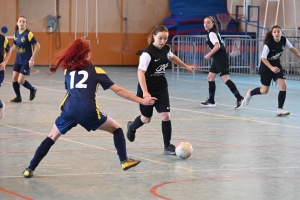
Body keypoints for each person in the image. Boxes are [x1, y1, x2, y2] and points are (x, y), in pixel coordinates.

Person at [22, 39, 157, 178]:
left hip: (69, 110)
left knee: (51, 136)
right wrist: (142, 100)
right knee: (117, 128)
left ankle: (30, 168)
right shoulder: (96, 70)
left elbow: (69, 90)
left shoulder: (68, 70)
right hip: (88, 111)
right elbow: (119, 90)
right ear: (86, 54)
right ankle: (124, 161)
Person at [126, 25, 195, 155]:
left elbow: (172, 57)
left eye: (165, 38)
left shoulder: (166, 48)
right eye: (160, 38)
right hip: (146, 89)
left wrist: (186, 66)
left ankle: (167, 146)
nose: (163, 41)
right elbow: (140, 73)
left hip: (161, 87)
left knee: (165, 115)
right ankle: (132, 127)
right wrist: (145, 92)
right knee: (146, 119)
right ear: (154, 37)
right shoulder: (147, 54)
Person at [244, 25, 300, 116]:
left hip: (276, 65)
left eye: (278, 31)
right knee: (264, 90)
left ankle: (280, 109)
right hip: (266, 67)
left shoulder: (284, 40)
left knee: (283, 85)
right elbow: (263, 58)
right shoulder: (269, 44)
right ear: (272, 33)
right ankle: (250, 93)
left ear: (281, 33)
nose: (277, 33)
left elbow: (292, 49)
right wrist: (271, 68)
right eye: (275, 32)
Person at [201, 16, 244, 109]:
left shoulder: (212, 33)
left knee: (225, 79)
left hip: (221, 59)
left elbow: (217, 46)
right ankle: (211, 101)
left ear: (212, 23)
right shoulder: (213, 33)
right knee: (210, 77)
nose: (206, 24)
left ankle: (239, 98)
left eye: (208, 22)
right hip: (217, 59)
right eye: (204, 22)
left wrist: (209, 54)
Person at [10, 16, 40, 103]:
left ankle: (32, 89)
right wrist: (8, 52)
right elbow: (15, 46)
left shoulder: (28, 33)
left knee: (20, 80)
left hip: (26, 59)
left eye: (23, 21)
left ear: (25, 24)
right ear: (17, 23)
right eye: (20, 21)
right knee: (14, 78)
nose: (22, 23)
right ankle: (18, 97)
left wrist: (32, 59)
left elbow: (37, 46)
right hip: (18, 58)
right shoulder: (16, 33)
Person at [0, 34, 12, 119]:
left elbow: (9, 50)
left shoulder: (2, 38)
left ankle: (1, 106)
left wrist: (5, 62)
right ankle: (1, 105)